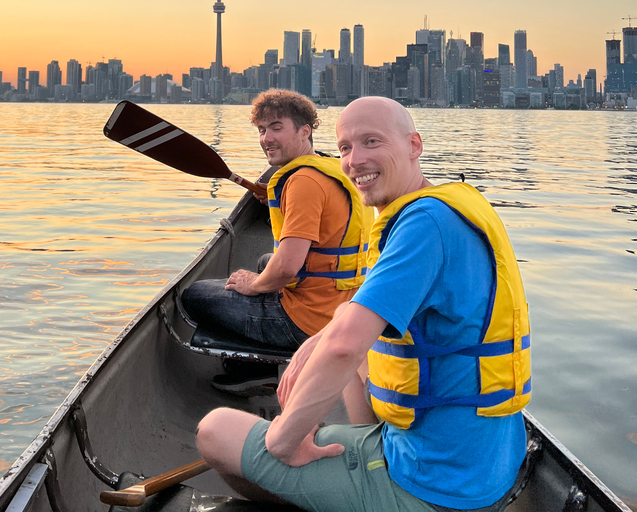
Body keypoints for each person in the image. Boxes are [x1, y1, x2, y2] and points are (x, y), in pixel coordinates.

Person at [195, 96, 532, 512]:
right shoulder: (451, 205)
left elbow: (344, 344)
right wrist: (314, 342)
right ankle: (358, 465)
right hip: (487, 464)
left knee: (215, 429)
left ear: (414, 145)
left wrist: (284, 440)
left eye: (372, 141)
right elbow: (346, 327)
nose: (355, 160)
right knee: (352, 333)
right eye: (345, 148)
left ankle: (350, 485)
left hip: (436, 483)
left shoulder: (423, 226)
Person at [182, 89, 374, 394]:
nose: (266, 138)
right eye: (262, 129)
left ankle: (258, 372)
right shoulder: (332, 168)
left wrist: (254, 285)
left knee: (195, 296)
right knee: (262, 262)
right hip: (343, 305)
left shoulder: (302, 182)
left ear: (304, 131)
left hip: (307, 322)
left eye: (277, 127)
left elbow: (286, 268)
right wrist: (273, 195)